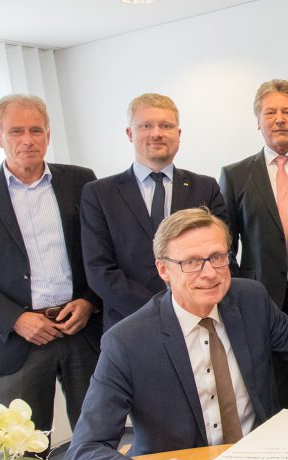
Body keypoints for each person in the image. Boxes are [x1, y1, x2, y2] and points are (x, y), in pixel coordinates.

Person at [65, 208, 288, 460]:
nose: (209, 273)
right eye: (192, 262)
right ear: (163, 270)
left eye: (217, 257)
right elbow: (85, 449)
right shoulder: (127, 342)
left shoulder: (252, 300)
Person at [0, 94, 100, 447]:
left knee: (99, 438)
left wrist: (89, 302)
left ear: (48, 134)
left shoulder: (81, 181)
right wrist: (16, 319)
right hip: (19, 340)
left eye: (36, 130)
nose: (27, 139)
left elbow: (103, 252)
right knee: (25, 452)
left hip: (81, 330)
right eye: (16, 131)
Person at [81, 93, 227, 330]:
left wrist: (190, 305)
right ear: (130, 134)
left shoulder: (206, 187)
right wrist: (162, 309)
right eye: (146, 125)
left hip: (201, 319)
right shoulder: (99, 194)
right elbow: (99, 270)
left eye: (166, 126)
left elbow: (221, 253)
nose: (156, 133)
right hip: (130, 324)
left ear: (178, 134)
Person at [219, 79, 288, 408]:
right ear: (258, 121)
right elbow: (225, 244)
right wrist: (242, 289)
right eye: (270, 112)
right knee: (278, 391)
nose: (280, 119)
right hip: (265, 298)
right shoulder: (235, 175)